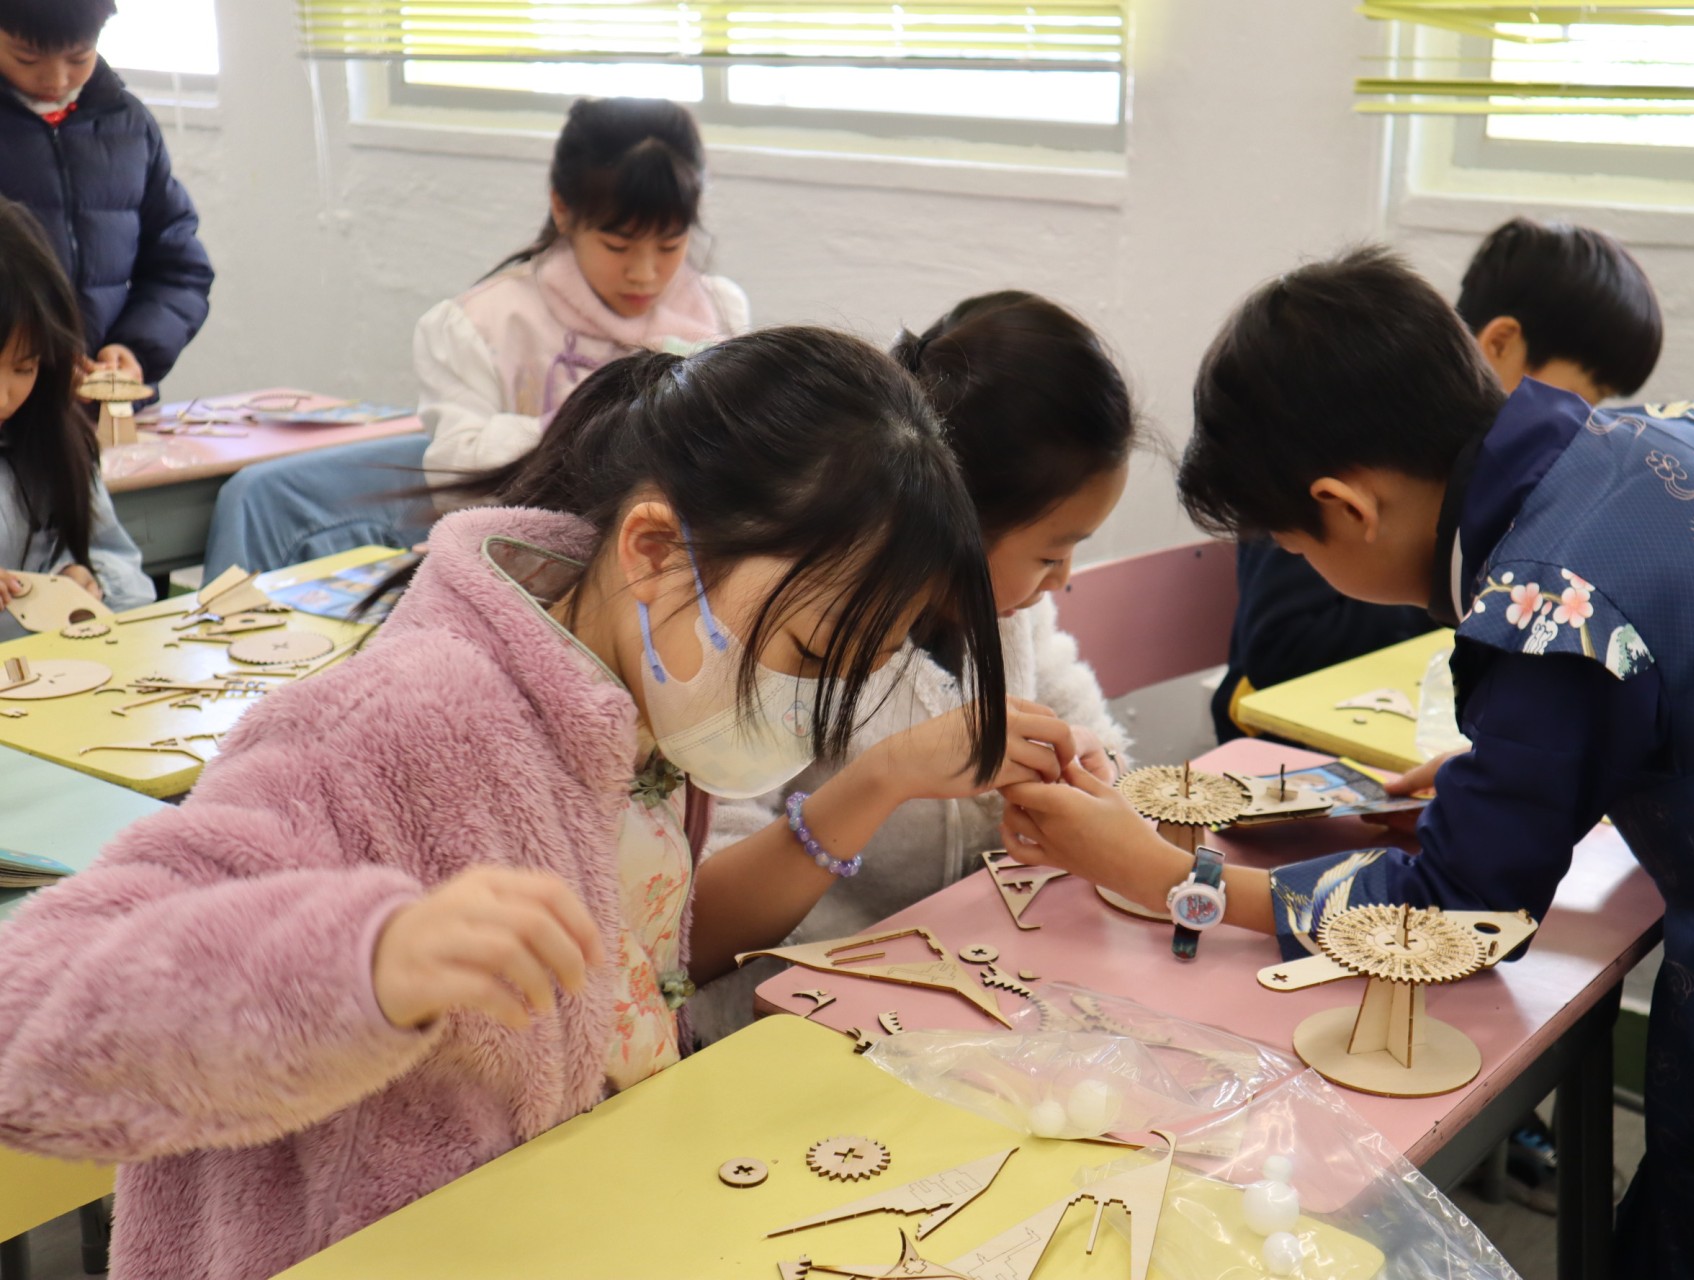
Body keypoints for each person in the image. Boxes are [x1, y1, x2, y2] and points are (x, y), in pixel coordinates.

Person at [0, 329, 1077, 1280]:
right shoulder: (401, 721)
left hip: (577, 1216)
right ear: (654, 550)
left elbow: (632, 970)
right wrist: (362, 962)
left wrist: (878, 780)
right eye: (808, 651)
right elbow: (29, 1007)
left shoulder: (638, 715)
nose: (812, 704)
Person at [1000, 247, 1694, 1278]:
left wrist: (1175, 876)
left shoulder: (1547, 603)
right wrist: (1529, 767)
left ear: (1348, 507)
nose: (1306, 567)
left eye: (1298, 549)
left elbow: (1450, 915)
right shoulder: (1662, 440)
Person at [693, 292, 1135, 1040]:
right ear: (961, 525)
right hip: (786, 1024)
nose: (1062, 579)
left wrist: (1090, 777)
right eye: (1050, 554)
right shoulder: (789, 635)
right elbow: (698, 932)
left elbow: (1089, 731)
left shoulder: (1010, 612)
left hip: (960, 996)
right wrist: (885, 777)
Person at [199, 96, 746, 578]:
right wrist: (593, 430)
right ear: (562, 209)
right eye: (618, 246)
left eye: (670, 246)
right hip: (524, 578)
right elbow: (456, 477)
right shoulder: (477, 326)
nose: (645, 274)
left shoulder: (716, 310)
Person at [1213, 217, 1663, 741]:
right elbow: (1283, 644)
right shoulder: (1349, 432)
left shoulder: (1504, 488)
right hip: (1291, 737)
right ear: (1500, 343)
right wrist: (1468, 594)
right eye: (1585, 395)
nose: (1585, 421)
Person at [0, 0, 214, 387]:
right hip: (11, 402)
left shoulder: (129, 125)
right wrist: (21, 365)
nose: (56, 80)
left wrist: (136, 349)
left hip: (106, 400)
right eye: (27, 58)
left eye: (78, 58)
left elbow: (179, 267)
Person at [0, 197, 153, 624]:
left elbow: (122, 568)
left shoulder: (50, 440)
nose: (3, 398)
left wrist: (90, 580)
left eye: (24, 368)